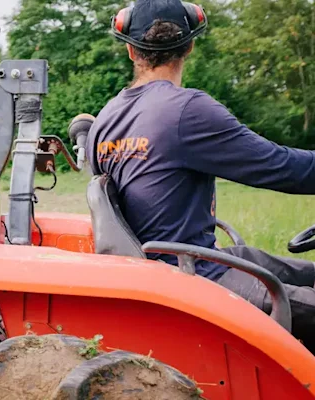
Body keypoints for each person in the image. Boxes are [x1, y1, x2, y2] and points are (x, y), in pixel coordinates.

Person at [87, 0, 315, 351]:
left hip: (169, 269)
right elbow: (283, 168)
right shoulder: (187, 110)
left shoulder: (104, 120)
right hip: (197, 278)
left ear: (132, 51)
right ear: (190, 45)